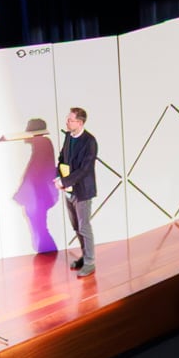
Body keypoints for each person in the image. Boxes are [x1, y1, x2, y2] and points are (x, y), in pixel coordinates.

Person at [57, 106, 101, 273]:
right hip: (68, 189)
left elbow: (85, 169)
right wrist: (58, 176)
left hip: (82, 191)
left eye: (70, 120)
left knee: (84, 227)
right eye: (67, 119)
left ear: (80, 123)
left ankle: (90, 262)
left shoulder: (90, 142)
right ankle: (85, 256)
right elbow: (62, 158)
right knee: (76, 226)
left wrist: (65, 181)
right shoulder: (68, 137)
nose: (67, 122)